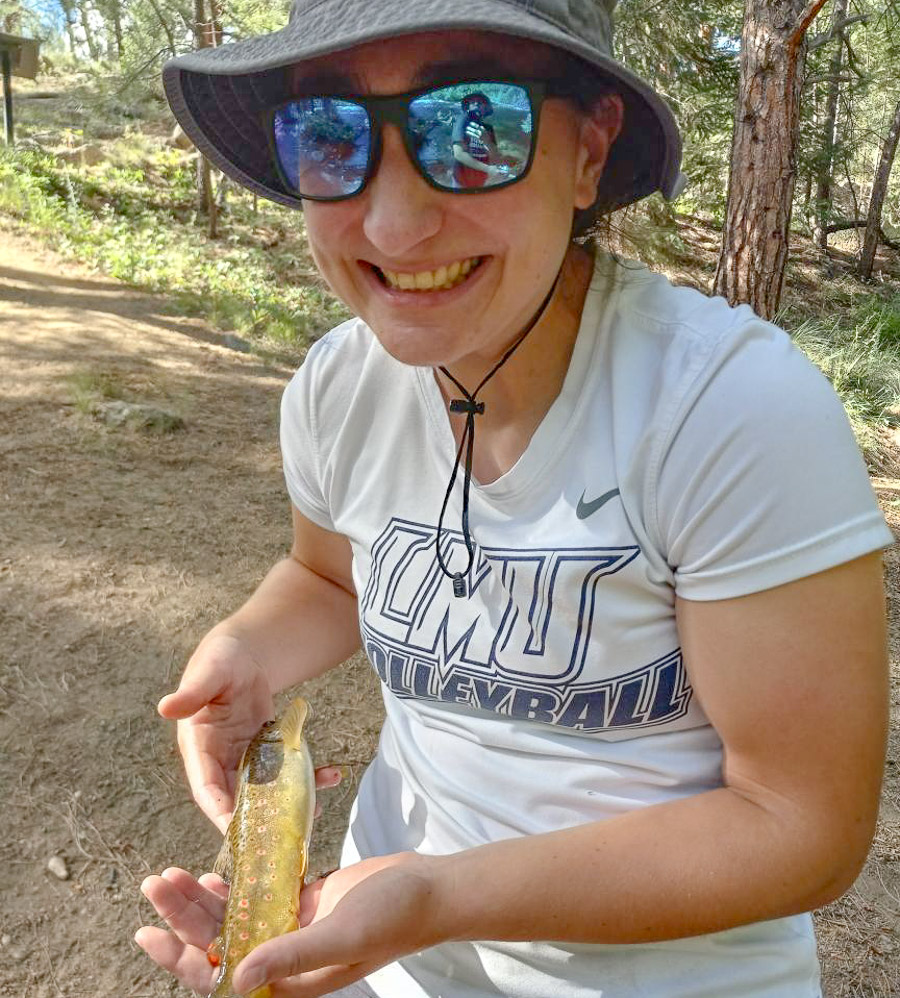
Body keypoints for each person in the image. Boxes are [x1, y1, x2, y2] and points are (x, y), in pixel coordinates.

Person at [136, 2, 893, 997]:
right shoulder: (338, 384)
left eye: (472, 125)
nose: (393, 224)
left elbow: (799, 825)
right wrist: (245, 648)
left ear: (589, 152)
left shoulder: (726, 408)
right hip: (385, 955)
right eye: (329, 134)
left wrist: (442, 895)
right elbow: (329, 577)